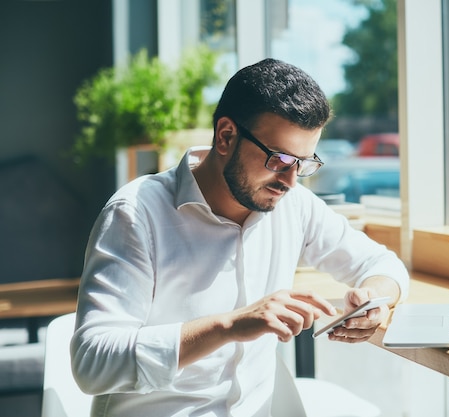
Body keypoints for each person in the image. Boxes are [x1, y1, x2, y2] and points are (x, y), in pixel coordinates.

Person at [70, 58, 410, 417]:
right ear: (226, 136)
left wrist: (375, 301)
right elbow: (93, 365)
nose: (291, 181)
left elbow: (383, 265)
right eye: (278, 159)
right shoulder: (136, 213)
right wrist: (229, 325)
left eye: (304, 164)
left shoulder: (293, 204)